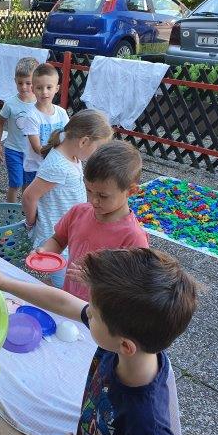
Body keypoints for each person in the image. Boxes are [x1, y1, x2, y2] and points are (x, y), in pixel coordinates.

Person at [0, 247, 200, 435]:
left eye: (92, 315)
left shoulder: (147, 424)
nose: (86, 313)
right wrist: (3, 283)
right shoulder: (124, 341)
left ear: (126, 346)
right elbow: (63, 302)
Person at [36, 140, 149, 301]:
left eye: (103, 195)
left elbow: (134, 287)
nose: (93, 200)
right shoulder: (78, 212)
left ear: (131, 191)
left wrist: (96, 280)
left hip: (101, 310)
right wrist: (45, 252)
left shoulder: (133, 237)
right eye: (89, 190)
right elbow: (58, 240)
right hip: (69, 300)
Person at [22, 109, 113, 288]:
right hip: (54, 235)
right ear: (84, 141)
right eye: (97, 148)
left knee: (64, 277)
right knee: (61, 283)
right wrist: (31, 223)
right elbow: (29, 196)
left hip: (66, 231)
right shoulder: (58, 166)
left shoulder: (73, 157)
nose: (96, 154)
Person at [0, 57, 40, 202]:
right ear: (15, 81)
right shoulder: (10, 103)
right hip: (13, 150)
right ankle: (10, 211)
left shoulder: (40, 104)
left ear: (36, 82)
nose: (24, 87)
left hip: (32, 152)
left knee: (28, 184)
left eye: (28, 83)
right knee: (15, 183)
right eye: (20, 83)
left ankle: (25, 210)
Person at [16, 63, 70, 178]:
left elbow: (68, 137)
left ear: (57, 88)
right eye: (39, 88)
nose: (44, 92)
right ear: (33, 89)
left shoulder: (62, 113)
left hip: (56, 165)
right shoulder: (31, 116)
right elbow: (37, 149)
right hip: (35, 167)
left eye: (49, 87)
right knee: (31, 190)